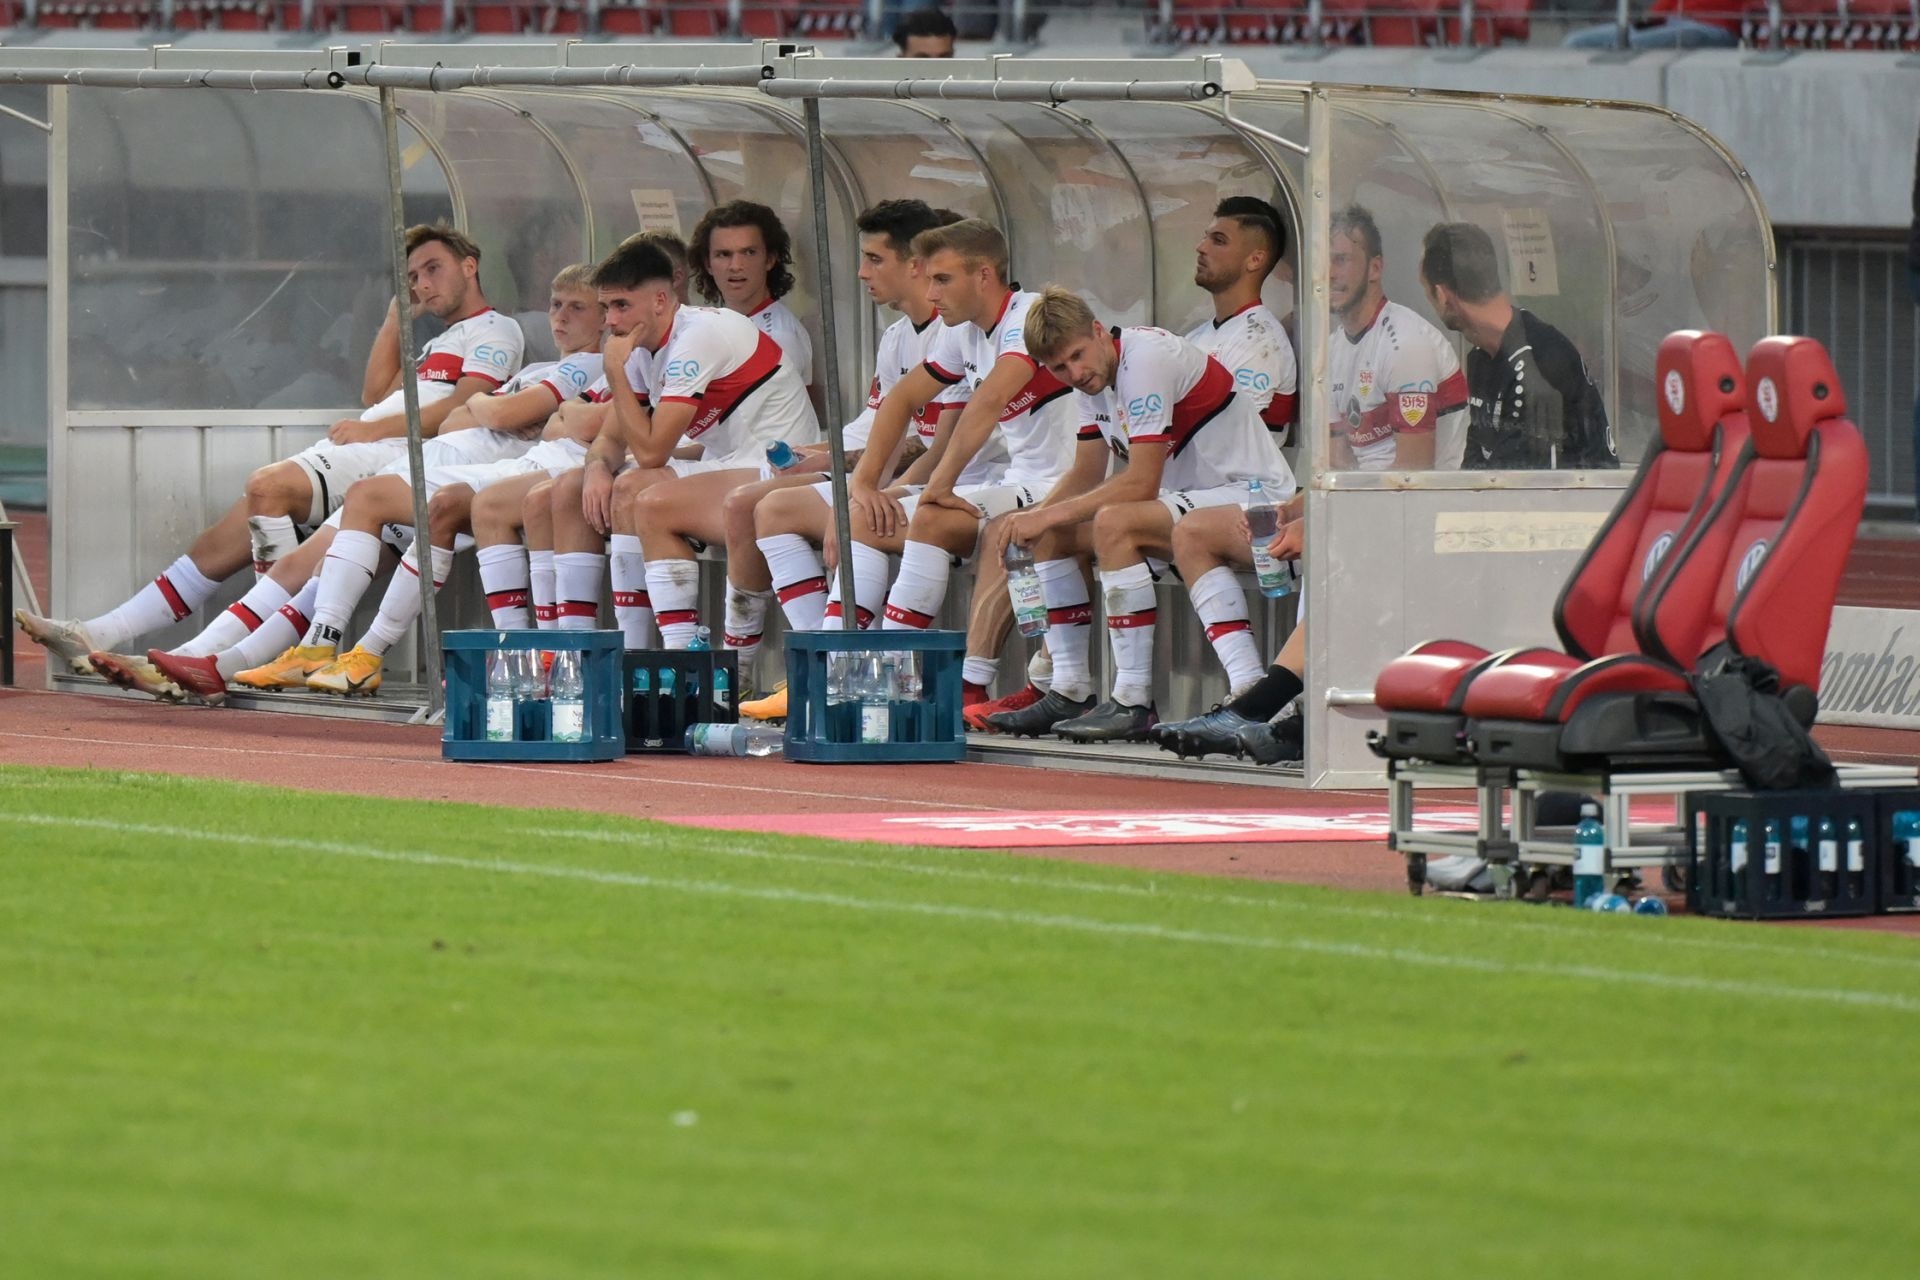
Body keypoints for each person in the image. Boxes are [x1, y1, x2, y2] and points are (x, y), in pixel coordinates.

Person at [16, 224, 523, 679]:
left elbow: (463, 405)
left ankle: (252, 650)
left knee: (269, 486)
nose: (422, 284)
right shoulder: (438, 342)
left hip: (395, 453)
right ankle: (103, 632)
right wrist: (395, 319)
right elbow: (375, 392)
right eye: (413, 276)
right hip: (373, 444)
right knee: (226, 534)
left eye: (432, 269)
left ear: (469, 266)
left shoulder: (496, 329)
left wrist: (372, 432)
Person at [119, 266, 605, 701]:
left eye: (577, 307)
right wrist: (491, 408)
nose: (560, 317)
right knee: (308, 563)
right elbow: (460, 416)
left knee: (342, 517)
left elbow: (495, 413)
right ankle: (211, 660)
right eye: (555, 305)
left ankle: (275, 654)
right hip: (434, 462)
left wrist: (492, 408)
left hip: (467, 472)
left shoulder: (589, 365)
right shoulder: (540, 369)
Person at [964, 194, 1299, 730]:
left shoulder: (1144, 358)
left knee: (1113, 521)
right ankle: (1068, 689)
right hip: (1190, 503)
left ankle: (1135, 699)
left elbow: (1140, 482)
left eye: (1077, 356)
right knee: (1052, 533)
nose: (1074, 373)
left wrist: (1045, 514)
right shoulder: (1093, 379)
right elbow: (1084, 472)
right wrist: (1034, 519)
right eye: (1060, 368)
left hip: (1252, 496)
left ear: (1099, 331)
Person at [720, 199, 958, 714]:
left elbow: (937, 445)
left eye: (874, 259)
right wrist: (819, 455)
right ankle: (816, 669)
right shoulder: (897, 336)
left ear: (914, 264)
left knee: (849, 517)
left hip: (959, 483)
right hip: (906, 478)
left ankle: (836, 673)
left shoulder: (957, 333)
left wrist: (855, 490)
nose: (862, 273)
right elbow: (876, 427)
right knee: (768, 507)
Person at [834, 219, 1074, 648]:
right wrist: (865, 484)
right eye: (929, 280)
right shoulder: (961, 330)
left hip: (1064, 485)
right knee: (863, 518)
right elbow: (901, 398)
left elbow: (990, 399)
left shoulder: (1030, 315)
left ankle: (899, 666)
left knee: (931, 516)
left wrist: (938, 485)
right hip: (1015, 481)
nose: (931, 294)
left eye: (942, 280)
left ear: (983, 275)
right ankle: (839, 661)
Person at [595, 238, 819, 649]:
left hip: (781, 464)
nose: (611, 320)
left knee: (646, 498)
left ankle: (679, 656)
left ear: (660, 300)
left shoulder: (697, 336)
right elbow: (613, 437)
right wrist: (595, 467)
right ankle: (635, 655)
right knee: (622, 487)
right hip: (731, 460)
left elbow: (651, 452)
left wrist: (614, 372)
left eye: (621, 305)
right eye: (606, 307)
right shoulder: (644, 347)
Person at [1420, 221, 1615, 471]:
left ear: (1442, 296)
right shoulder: (1481, 358)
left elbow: (1532, 486)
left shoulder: (1540, 364)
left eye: (1426, 292)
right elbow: (1475, 465)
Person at [1327, 203, 1467, 472]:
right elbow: (1336, 461)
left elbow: (1413, 473)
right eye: (1322, 262)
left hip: (1427, 496)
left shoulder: (1405, 343)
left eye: (1341, 260)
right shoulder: (1331, 348)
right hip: (1366, 492)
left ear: (1375, 268)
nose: (1329, 273)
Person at [688, 200, 814, 388]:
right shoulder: (713, 324)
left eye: (749, 252)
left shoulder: (779, 337)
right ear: (708, 264)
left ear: (770, 259)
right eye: (724, 254)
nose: (735, 266)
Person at [1563, 0, 1740, 50]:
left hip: (1713, 28)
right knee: (1576, 41)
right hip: (1668, 23)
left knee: (1635, 43)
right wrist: (1642, 24)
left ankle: (1617, 51)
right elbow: (1660, 10)